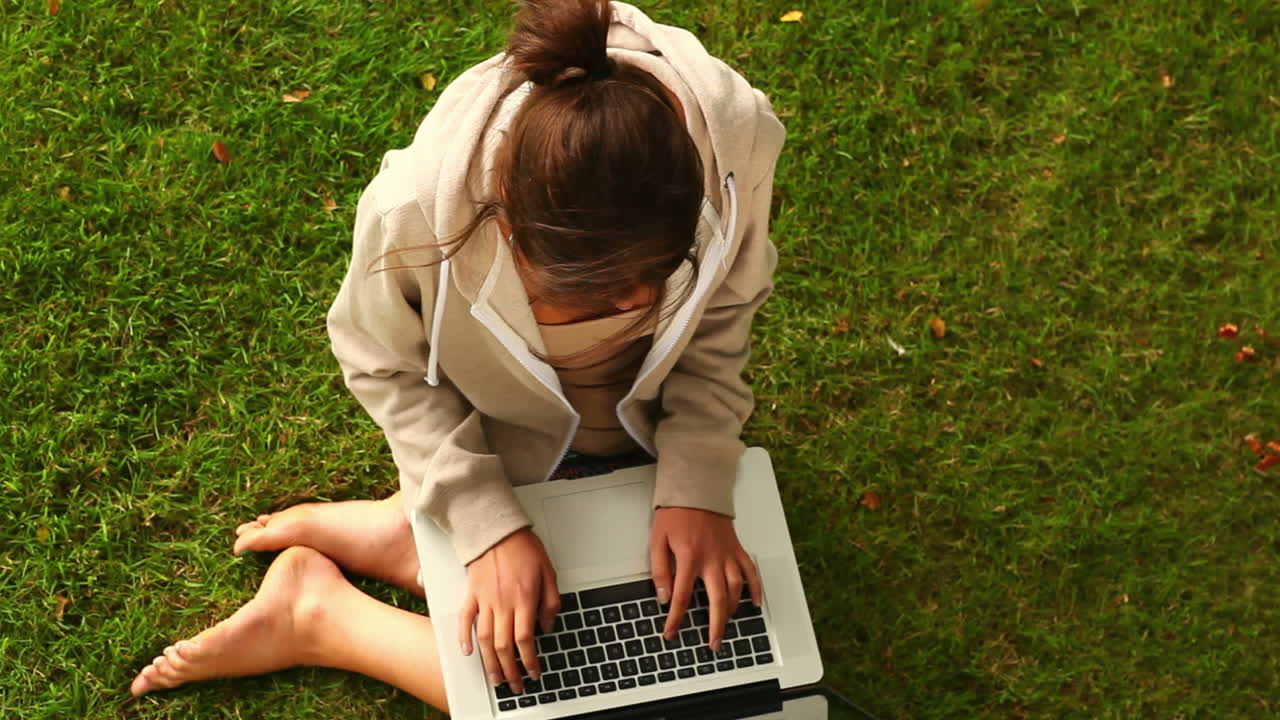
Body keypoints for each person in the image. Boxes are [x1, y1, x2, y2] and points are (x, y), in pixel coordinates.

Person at [129, 0, 785, 710]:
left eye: (645, 291)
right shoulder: (411, 210)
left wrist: (696, 479)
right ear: (500, 219)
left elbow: (724, 317)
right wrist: (484, 521)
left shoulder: (736, 144)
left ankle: (408, 535)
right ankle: (320, 615)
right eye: (574, 304)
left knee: (696, 675)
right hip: (510, 452)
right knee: (601, 701)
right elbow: (381, 361)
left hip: (647, 454)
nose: (624, 316)